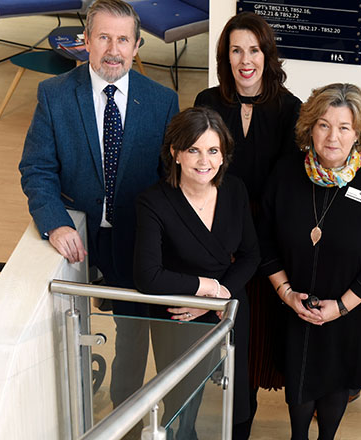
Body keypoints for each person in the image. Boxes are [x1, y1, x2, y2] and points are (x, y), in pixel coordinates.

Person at [18, 0, 179, 413]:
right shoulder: (54, 95)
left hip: (136, 235)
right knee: (64, 322)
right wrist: (54, 223)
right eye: (103, 37)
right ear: (85, 41)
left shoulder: (162, 101)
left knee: (132, 327)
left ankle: (125, 407)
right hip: (79, 234)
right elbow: (37, 168)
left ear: (137, 45)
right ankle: (68, 402)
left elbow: (170, 181)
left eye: (123, 39)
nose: (113, 49)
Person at [258, 83, 361, 440]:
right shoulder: (285, 173)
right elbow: (264, 239)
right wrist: (287, 293)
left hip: (349, 313)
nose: (332, 137)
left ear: (359, 134)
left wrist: (341, 306)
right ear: (310, 129)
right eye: (323, 125)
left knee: (337, 382)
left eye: (344, 127)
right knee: (300, 377)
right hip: (295, 306)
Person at [194, 11, 301, 437]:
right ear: (226, 56)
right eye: (236, 50)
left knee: (252, 342)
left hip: (266, 241)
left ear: (267, 54)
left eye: (253, 50)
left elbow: (290, 188)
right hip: (214, 235)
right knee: (207, 334)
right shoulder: (208, 100)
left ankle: (240, 425)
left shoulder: (290, 108)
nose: (245, 60)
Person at [133, 107, 259, 439]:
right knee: (182, 409)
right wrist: (206, 288)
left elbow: (250, 255)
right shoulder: (153, 202)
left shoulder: (234, 190)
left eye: (213, 150)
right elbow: (147, 275)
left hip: (228, 310)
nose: (204, 161)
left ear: (223, 155)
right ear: (175, 153)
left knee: (238, 401)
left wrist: (217, 299)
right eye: (194, 150)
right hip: (178, 318)